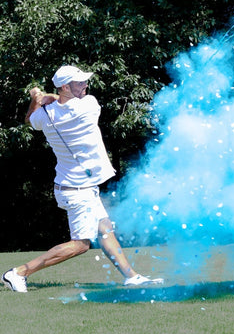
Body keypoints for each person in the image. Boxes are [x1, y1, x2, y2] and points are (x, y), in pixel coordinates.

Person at [2, 65, 163, 292]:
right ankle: (18, 273)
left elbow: (30, 119)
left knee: (105, 229)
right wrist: (47, 96)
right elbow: (57, 101)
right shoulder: (89, 106)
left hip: (73, 186)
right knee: (80, 245)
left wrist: (37, 97)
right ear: (66, 87)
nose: (86, 85)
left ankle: (132, 276)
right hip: (78, 190)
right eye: (79, 83)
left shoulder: (45, 115)